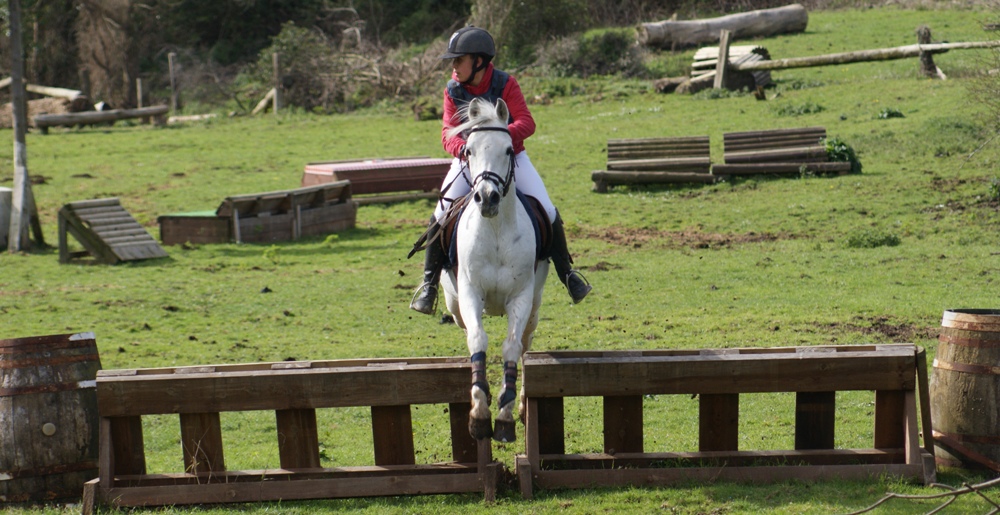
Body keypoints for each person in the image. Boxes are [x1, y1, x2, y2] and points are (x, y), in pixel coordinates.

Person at [410, 26, 591, 315]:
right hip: (469, 160)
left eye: (459, 59)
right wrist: (464, 149)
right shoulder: (452, 89)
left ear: (479, 61)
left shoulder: (506, 83)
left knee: (548, 208)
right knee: (441, 212)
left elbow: (527, 122)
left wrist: (499, 137)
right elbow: (447, 133)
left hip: (511, 158)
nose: (454, 65)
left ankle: (568, 275)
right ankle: (430, 284)